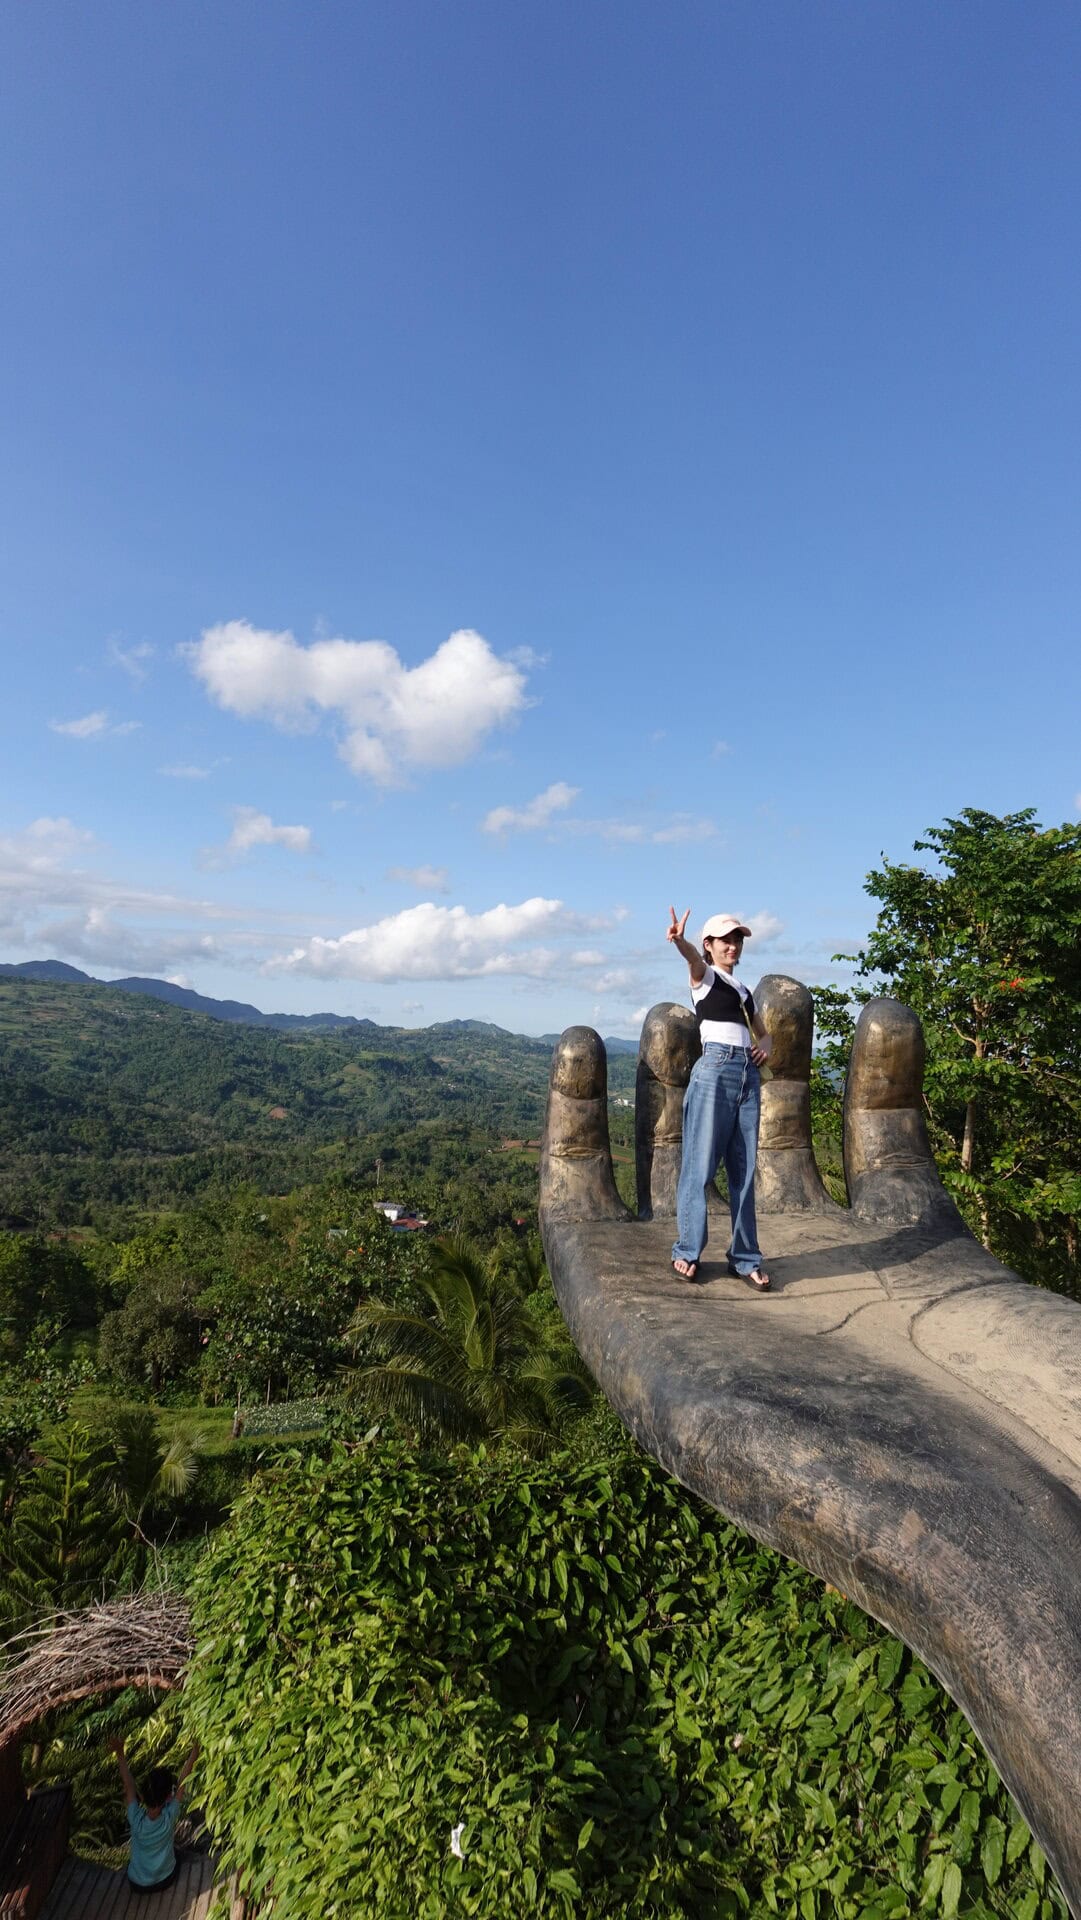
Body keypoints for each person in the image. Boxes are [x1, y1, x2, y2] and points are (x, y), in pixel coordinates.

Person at [666, 907, 773, 1290]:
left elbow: (763, 1032)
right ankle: (688, 1251)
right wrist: (681, 942)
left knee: (744, 1172)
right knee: (700, 1165)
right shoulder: (706, 978)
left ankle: (745, 1258)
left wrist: (766, 1047)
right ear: (709, 945)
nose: (733, 944)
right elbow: (693, 962)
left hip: (747, 1074)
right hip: (715, 1069)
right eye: (725, 939)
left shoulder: (743, 990)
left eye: (738, 938)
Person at [107, 1736, 199, 1894]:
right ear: (169, 1797)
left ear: (142, 1797)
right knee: (179, 1853)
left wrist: (119, 1753)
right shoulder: (169, 1816)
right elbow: (183, 1782)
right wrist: (195, 1752)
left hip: (137, 1884)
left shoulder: (135, 1819)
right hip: (165, 1880)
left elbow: (128, 1785)